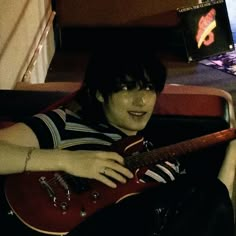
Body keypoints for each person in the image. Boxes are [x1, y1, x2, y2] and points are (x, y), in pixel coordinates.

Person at [0, 48, 234, 236]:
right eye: (126, 88)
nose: (141, 100)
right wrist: (69, 160)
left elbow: (211, 213)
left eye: (149, 88)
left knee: (207, 191)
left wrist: (232, 155)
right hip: (77, 224)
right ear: (100, 93)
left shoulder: (165, 161)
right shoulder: (65, 123)